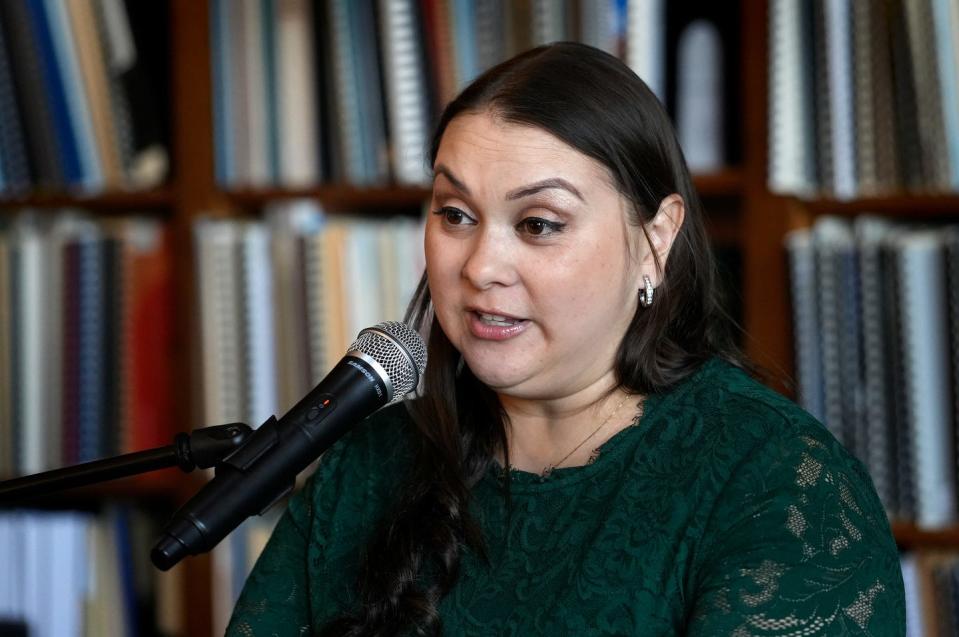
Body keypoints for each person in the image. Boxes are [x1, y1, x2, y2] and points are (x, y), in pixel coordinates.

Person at [227, 42, 905, 636]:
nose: (480, 267)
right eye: (455, 214)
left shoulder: (774, 483)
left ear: (655, 238)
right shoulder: (365, 467)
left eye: (538, 224)